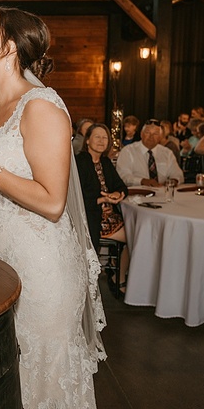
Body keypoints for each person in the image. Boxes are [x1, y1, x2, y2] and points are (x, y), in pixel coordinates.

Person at [0, 7, 105, 408]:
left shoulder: (41, 107)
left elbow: (52, 201)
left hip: (42, 270)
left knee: (42, 384)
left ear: (10, 47)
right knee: (9, 383)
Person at [76, 123, 129, 294]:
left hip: (110, 217)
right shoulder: (80, 161)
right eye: (97, 137)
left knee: (139, 233)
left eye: (105, 137)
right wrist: (101, 200)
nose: (101, 141)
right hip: (91, 217)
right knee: (135, 237)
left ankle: (116, 273)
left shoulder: (105, 162)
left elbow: (121, 186)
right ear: (87, 140)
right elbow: (77, 197)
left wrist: (117, 194)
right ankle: (117, 277)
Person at [116, 119, 184, 187]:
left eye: (155, 134)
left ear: (160, 137)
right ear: (141, 134)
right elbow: (123, 176)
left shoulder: (167, 153)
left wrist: (173, 181)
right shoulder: (128, 151)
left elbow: (178, 174)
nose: (151, 136)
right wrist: (142, 181)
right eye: (147, 133)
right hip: (137, 192)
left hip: (162, 191)